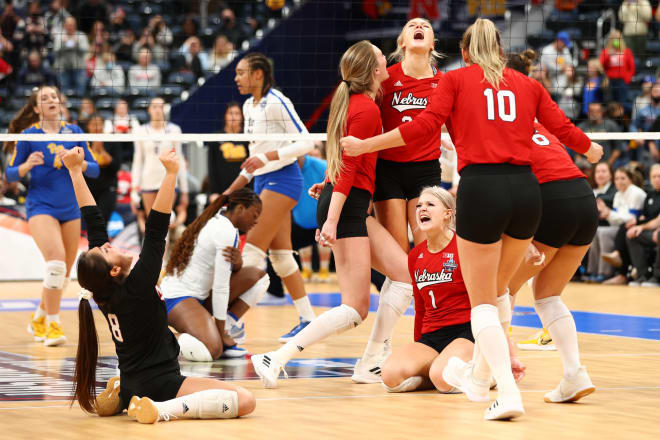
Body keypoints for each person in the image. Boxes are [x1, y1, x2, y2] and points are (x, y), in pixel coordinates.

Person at [340, 19, 603, 420]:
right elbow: (562, 127)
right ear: (499, 49)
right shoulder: (526, 84)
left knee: (483, 303)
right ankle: (484, 376)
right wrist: (591, 148)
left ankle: (508, 391)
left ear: (463, 53)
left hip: (483, 188)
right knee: (501, 293)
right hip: (528, 193)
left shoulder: (455, 80)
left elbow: (423, 126)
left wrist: (365, 144)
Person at [251, 40, 410, 389]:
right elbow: (351, 165)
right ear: (372, 71)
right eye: (383, 59)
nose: (388, 63)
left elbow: (341, 157)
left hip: (343, 197)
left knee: (404, 275)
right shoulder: (365, 109)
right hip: (347, 204)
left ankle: (371, 362)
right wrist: (333, 220)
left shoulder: (354, 103)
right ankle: (276, 358)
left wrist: (326, 182)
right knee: (355, 308)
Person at [66, 146, 255, 423]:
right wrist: (171, 174)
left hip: (133, 379)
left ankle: (122, 395)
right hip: (162, 383)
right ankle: (161, 409)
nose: (106, 244)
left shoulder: (105, 289)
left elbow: (92, 219)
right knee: (245, 400)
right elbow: (156, 228)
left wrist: (74, 171)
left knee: (228, 394)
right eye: (105, 250)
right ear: (115, 269)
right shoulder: (137, 284)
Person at [503, 51, 597, 403]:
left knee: (498, 289)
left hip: (550, 200)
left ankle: (492, 371)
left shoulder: (502, 124)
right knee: (546, 295)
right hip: (583, 197)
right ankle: (574, 374)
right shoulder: (538, 120)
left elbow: (517, 178)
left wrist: (524, 233)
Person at [352, 17, 440, 384]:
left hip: (425, 173)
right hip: (388, 172)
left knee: (427, 260)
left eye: (425, 25)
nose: (418, 26)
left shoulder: (443, 81)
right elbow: (360, 121)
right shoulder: (385, 78)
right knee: (400, 266)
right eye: (411, 25)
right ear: (403, 41)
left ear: (431, 41)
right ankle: (378, 350)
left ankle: (429, 338)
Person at [223, 52, 316, 341]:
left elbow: (307, 141)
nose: (236, 78)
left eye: (241, 72)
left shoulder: (277, 102)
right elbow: (253, 162)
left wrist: (270, 155)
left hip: (284, 179)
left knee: (252, 253)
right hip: (263, 180)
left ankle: (230, 320)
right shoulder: (249, 107)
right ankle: (308, 319)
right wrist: (228, 192)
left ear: (258, 74)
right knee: (281, 258)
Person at [3, 85, 99, 347]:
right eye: (45, 98)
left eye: (54, 96)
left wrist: (78, 161)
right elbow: (10, 174)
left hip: (70, 208)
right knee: (56, 264)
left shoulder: (75, 132)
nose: (52, 100)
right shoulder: (28, 136)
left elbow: (95, 170)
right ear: (37, 108)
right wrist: (27, 164)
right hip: (41, 207)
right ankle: (54, 325)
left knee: (64, 273)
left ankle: (39, 316)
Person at [381, 186, 474, 394]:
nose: (422, 209)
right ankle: (438, 370)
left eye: (430, 205)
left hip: (466, 331)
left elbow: (485, 297)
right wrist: (418, 346)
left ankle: (486, 373)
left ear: (448, 214)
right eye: (419, 205)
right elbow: (420, 308)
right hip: (432, 336)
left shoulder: (464, 247)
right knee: (390, 376)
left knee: (443, 379)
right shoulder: (416, 255)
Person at [160, 188, 270, 360]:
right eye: (254, 215)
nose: (256, 221)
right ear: (240, 208)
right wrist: (220, 335)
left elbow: (225, 272)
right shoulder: (225, 230)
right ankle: (153, 338)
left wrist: (238, 263)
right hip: (176, 299)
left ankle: (227, 327)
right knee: (212, 349)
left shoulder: (215, 219)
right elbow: (220, 287)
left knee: (259, 277)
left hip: (197, 297)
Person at [131, 97, 188, 222]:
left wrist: (184, 190)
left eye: (161, 107)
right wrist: (134, 188)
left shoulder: (174, 130)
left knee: (164, 222)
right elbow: (138, 161)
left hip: (168, 180)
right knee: (151, 222)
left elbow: (180, 161)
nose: (158, 110)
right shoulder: (140, 131)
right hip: (148, 181)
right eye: (154, 107)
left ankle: (166, 242)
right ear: (149, 109)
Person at [587, 167, 646, 282]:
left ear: (630, 179)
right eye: (617, 178)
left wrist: (609, 214)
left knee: (604, 232)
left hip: (632, 226)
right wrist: (607, 215)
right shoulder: (618, 195)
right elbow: (615, 219)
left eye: (623, 178)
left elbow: (630, 219)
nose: (619, 181)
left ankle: (606, 272)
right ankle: (593, 271)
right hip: (620, 227)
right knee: (597, 231)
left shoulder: (636, 193)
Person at [291, 148, 332, 282]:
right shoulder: (289, 170)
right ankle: (307, 270)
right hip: (301, 220)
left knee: (324, 243)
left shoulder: (322, 166)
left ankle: (324, 270)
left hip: (322, 219)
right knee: (303, 247)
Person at [207, 102, 249, 201]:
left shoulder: (248, 137)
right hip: (222, 191)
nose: (233, 117)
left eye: (237, 113)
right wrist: (213, 192)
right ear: (225, 116)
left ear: (242, 117)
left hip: (245, 190)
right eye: (230, 113)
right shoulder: (216, 138)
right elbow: (211, 167)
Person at [85, 113, 120, 224]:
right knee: (88, 223)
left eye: (100, 124)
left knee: (102, 223)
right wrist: (94, 151)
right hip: (88, 188)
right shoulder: (83, 142)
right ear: (88, 127)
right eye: (93, 124)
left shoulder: (111, 141)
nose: (97, 127)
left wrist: (102, 152)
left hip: (107, 188)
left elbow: (116, 166)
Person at [599, 30, 635, 113]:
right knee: (610, 104)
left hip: (622, 81)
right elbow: (601, 66)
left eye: (617, 37)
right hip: (610, 82)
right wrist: (608, 55)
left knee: (621, 103)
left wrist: (627, 79)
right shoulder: (606, 52)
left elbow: (631, 67)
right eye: (613, 38)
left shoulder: (627, 51)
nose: (615, 39)